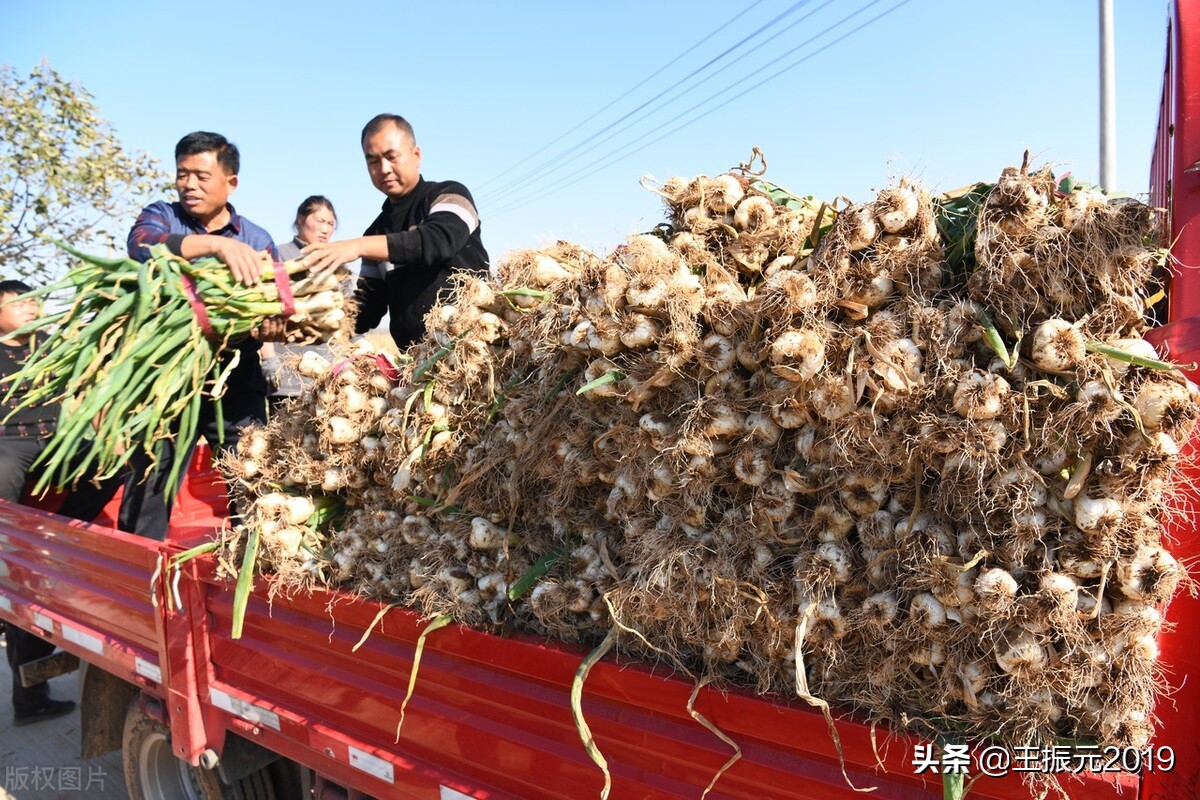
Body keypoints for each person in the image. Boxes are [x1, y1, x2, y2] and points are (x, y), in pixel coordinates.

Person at [123, 131, 281, 539]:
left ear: (231, 182)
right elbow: (140, 245)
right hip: (169, 373)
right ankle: (138, 569)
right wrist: (213, 246)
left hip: (236, 371)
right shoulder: (163, 216)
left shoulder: (258, 240)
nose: (188, 185)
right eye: (182, 174)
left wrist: (273, 324)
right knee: (152, 475)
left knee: (249, 473)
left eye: (200, 176)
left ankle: (255, 562)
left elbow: (279, 302)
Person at [0, 280, 121, 725]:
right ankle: (8, 537)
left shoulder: (50, 346)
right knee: (2, 468)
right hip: (7, 442)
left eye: (35, 302)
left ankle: (64, 527)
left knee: (112, 464)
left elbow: (92, 386)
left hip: (53, 441)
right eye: (20, 303)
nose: (32, 309)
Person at [300, 114, 489, 349]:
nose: (384, 169)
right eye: (373, 161)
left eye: (392, 157)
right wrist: (303, 322)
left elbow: (437, 242)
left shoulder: (450, 195)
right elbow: (367, 308)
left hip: (474, 348)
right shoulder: (375, 233)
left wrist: (357, 246)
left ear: (416, 155)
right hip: (418, 364)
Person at [262, 196, 340, 408]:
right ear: (300, 219)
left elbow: (350, 318)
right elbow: (263, 312)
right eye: (320, 221)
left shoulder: (337, 262)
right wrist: (268, 358)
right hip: (288, 375)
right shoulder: (280, 255)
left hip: (329, 376)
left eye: (331, 223)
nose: (325, 229)